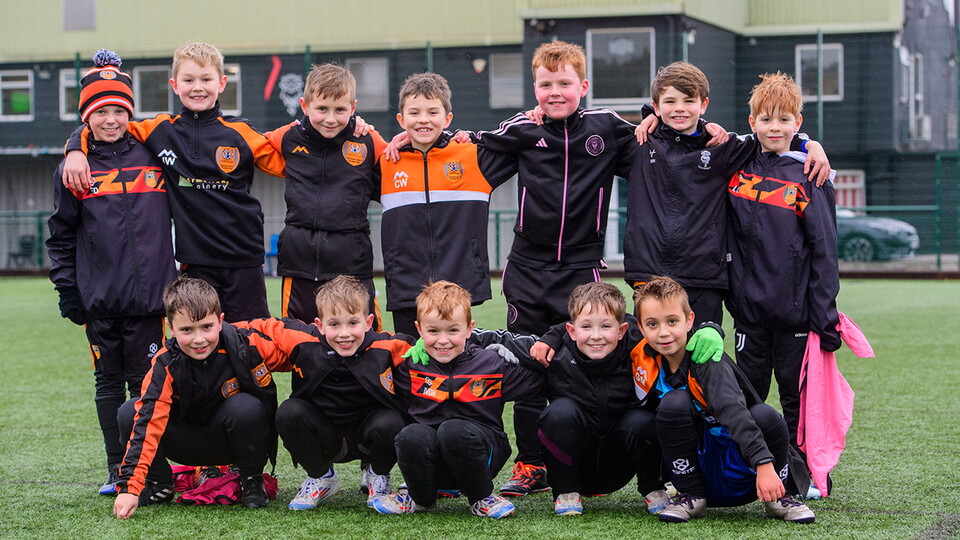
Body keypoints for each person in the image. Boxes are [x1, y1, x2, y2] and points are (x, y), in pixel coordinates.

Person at [463, 40, 640, 497]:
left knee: (579, 364)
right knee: (528, 365)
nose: (555, 91)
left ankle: (583, 458)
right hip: (526, 266)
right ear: (534, 87)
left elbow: (655, 140)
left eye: (565, 83)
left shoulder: (606, 126)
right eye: (545, 84)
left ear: (583, 85)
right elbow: (468, 144)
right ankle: (529, 465)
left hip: (582, 268)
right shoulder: (523, 128)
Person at [62, 42, 287, 322]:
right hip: (196, 263)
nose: (198, 87)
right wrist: (75, 148)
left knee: (253, 341)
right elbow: (106, 122)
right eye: (188, 80)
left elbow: (286, 163)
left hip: (244, 260)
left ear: (222, 83)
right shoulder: (158, 130)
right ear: (174, 84)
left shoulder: (241, 132)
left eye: (206, 79)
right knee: (200, 343)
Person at [45, 49, 178, 497]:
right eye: (100, 111)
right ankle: (115, 469)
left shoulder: (153, 155)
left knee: (148, 389)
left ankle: (151, 472)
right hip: (100, 301)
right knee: (107, 386)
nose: (111, 120)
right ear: (87, 117)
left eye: (119, 110)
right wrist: (68, 289)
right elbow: (60, 235)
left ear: (129, 113)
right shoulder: (75, 168)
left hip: (150, 304)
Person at [472, 282, 724, 516]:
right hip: (574, 463)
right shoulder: (552, 352)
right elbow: (496, 337)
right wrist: (436, 341)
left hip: (619, 463)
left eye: (606, 326)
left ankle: (652, 487)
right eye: (586, 327)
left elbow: (671, 330)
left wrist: (711, 329)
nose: (596, 336)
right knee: (558, 412)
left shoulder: (639, 345)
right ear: (571, 330)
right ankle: (566, 492)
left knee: (643, 418)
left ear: (622, 329)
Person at [625, 62, 831, 327]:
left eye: (689, 100)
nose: (679, 108)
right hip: (649, 273)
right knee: (653, 357)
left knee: (703, 358)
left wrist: (808, 143)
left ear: (704, 105)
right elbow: (600, 127)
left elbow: (770, 134)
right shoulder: (640, 141)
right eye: (670, 101)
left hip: (705, 277)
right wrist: (647, 116)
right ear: (656, 105)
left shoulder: (723, 147)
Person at [632, 276, 815, 524]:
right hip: (697, 476)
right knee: (673, 404)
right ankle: (691, 497)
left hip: (748, 473)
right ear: (640, 329)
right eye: (652, 324)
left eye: (672, 321)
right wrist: (557, 337)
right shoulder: (642, 354)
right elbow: (600, 324)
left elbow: (733, 411)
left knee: (765, 415)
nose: (663, 332)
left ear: (690, 321)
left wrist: (762, 463)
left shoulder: (707, 359)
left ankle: (780, 496)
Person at [725, 72, 840, 463]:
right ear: (752, 122)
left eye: (784, 119)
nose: (775, 127)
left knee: (795, 399)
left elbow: (824, 251)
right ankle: (751, 468)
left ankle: (799, 469)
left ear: (798, 123)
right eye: (766, 119)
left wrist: (824, 317)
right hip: (748, 314)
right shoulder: (737, 166)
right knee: (748, 396)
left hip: (795, 316)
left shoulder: (811, 175)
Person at [112, 276, 293, 519]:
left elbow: (302, 343)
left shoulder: (244, 343)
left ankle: (251, 479)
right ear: (171, 328)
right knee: (130, 411)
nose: (199, 339)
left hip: (232, 444)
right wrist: (130, 488)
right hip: (185, 444)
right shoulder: (165, 363)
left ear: (220, 321)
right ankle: (160, 484)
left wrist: (341, 339)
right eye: (187, 330)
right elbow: (148, 421)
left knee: (246, 407)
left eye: (206, 327)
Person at [237, 275, 415, 510]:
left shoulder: (390, 346)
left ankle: (378, 475)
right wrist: (218, 333)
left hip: (369, 437)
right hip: (325, 437)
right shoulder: (303, 339)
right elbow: (264, 328)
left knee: (395, 419)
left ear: (368, 321)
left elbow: (426, 352)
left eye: (353, 323)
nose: (344, 334)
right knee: (288, 412)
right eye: (334, 324)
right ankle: (321, 476)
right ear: (319, 325)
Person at [370, 281, 542, 519]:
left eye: (452, 330)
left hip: (482, 451)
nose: (443, 340)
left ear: (469, 329)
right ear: (419, 330)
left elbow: (545, 378)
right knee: (411, 434)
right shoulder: (411, 365)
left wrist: (520, 355)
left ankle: (482, 497)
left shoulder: (491, 363)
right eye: (433, 331)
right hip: (432, 458)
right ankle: (421, 498)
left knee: (454, 430)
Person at [376, 73, 516, 337]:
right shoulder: (387, 162)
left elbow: (520, 144)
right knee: (411, 368)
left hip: (460, 285)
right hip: (407, 287)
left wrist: (533, 116)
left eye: (432, 112)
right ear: (401, 119)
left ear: (448, 118)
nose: (423, 120)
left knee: (459, 365)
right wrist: (359, 125)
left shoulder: (472, 155)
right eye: (414, 112)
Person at [265, 64, 387, 328]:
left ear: (353, 108)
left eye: (340, 110)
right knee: (301, 342)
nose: (330, 118)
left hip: (352, 265)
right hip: (299, 265)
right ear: (304, 105)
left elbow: (401, 160)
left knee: (365, 342)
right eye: (322, 109)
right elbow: (245, 147)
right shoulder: (287, 137)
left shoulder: (368, 140)